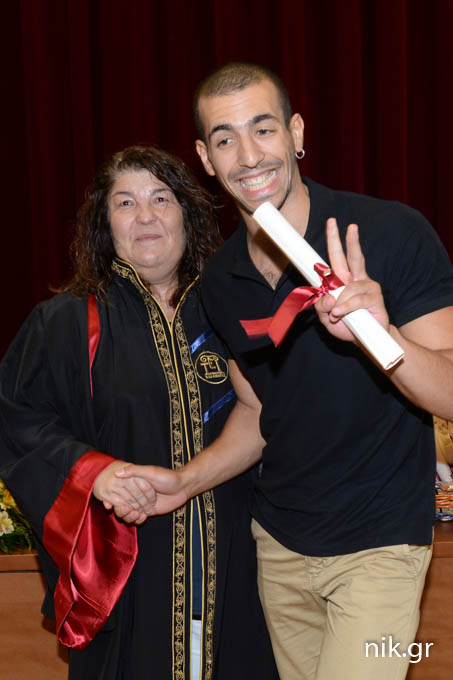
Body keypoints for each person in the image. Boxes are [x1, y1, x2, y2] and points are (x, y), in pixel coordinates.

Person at [115, 64, 453, 680]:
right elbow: (257, 411)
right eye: (225, 139)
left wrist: (384, 336)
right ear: (206, 159)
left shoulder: (389, 232)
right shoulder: (219, 281)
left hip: (379, 550)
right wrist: (185, 481)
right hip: (280, 552)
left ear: (296, 133)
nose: (249, 156)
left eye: (264, 129)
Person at [0, 145, 279, 680]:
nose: (145, 216)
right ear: (105, 224)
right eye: (125, 203)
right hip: (127, 574)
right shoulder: (64, 324)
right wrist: (93, 472)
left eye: (161, 199)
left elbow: (281, 416)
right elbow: (18, 423)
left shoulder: (233, 311)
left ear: (187, 214)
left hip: (241, 574)